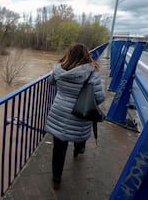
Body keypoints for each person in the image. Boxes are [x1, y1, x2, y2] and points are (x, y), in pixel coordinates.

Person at [45, 43, 106, 189]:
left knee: (58, 147)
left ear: (69, 54)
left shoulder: (58, 69)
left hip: (59, 111)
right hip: (80, 112)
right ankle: (78, 150)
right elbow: (99, 98)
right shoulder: (91, 73)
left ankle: (56, 178)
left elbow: (50, 82)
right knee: (79, 134)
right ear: (87, 55)